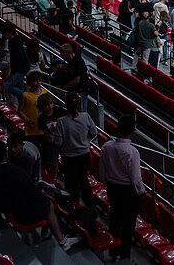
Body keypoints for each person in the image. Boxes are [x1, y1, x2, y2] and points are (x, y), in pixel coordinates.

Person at [0, 142, 80, 251]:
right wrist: (43, 196)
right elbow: (35, 193)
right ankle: (62, 240)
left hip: (5, 207)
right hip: (21, 213)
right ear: (6, 154)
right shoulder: (16, 171)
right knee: (49, 203)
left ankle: (49, 232)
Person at [99, 114, 144, 262]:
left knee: (115, 219)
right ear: (132, 131)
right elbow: (135, 178)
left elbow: (102, 170)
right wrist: (140, 192)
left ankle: (113, 252)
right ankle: (125, 256)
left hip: (113, 188)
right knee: (128, 225)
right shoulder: (132, 152)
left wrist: (107, 183)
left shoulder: (106, 147)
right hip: (128, 192)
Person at [49, 95, 97, 205]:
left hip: (69, 156)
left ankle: (73, 206)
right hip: (84, 154)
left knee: (71, 182)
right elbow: (94, 132)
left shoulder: (62, 121)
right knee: (84, 180)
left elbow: (58, 142)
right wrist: (85, 141)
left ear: (66, 105)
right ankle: (89, 206)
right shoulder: (86, 117)